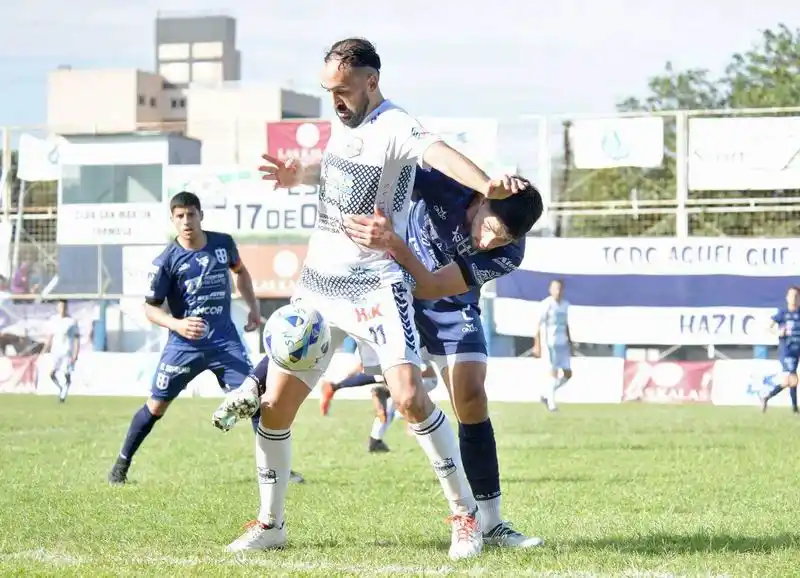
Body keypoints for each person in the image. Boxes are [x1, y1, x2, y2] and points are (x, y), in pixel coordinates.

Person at [214, 37, 524, 560]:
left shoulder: (396, 125)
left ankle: (465, 516)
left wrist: (489, 185)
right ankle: (271, 524)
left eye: (342, 88)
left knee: (408, 397)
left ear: (370, 82)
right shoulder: (345, 122)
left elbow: (440, 154)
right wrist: (299, 175)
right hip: (318, 284)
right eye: (327, 90)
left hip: (378, 282)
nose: (334, 98)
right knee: (273, 410)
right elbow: (336, 168)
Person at [343, 167, 544, 548]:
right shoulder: (450, 185)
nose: (488, 243)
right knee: (399, 395)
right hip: (391, 290)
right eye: (490, 228)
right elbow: (391, 166)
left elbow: (434, 286)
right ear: (484, 199)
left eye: (501, 239)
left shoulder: (510, 253)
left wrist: (396, 245)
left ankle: (492, 523)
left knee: (471, 397)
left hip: (447, 302)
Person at [106, 192, 263, 485]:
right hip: (183, 346)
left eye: (191, 214)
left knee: (254, 398)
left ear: (200, 215)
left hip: (224, 342)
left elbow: (240, 272)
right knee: (156, 407)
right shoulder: (166, 260)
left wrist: (253, 306)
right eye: (179, 216)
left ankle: (277, 469)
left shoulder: (223, 244)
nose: (186, 221)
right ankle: (120, 466)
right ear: (173, 220)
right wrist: (177, 325)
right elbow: (150, 308)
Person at [534, 279, 572, 412]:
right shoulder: (546, 304)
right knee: (553, 373)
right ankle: (552, 405)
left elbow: (566, 324)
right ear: (550, 290)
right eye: (556, 288)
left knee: (568, 374)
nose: (558, 291)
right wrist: (537, 344)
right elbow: (538, 325)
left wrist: (570, 341)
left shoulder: (565, 304)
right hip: (551, 343)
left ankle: (546, 394)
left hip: (563, 343)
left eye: (560, 288)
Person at [760, 286, 800, 414]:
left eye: (796, 296)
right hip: (786, 350)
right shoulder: (782, 314)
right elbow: (767, 327)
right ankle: (794, 409)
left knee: (789, 381)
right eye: (791, 295)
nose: (794, 298)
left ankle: (766, 397)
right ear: (787, 298)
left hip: (797, 350)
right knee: (793, 378)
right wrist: (778, 332)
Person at [45, 299, 80, 403]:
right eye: (60, 306)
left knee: (66, 374)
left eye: (64, 307)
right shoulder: (53, 320)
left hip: (67, 351)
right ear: (57, 307)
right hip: (55, 350)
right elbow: (50, 336)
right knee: (51, 374)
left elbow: (76, 338)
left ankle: (63, 394)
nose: (62, 309)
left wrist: (76, 353)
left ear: (67, 308)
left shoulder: (72, 321)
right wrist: (45, 349)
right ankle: (60, 388)